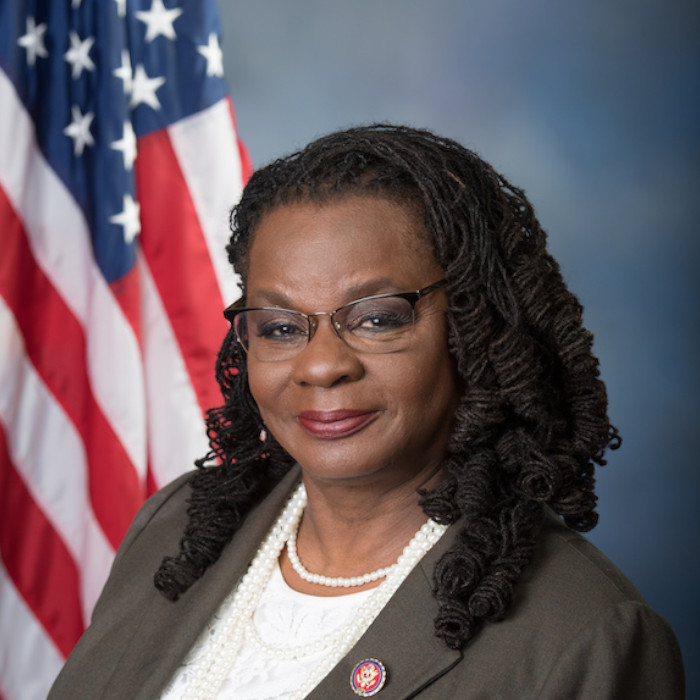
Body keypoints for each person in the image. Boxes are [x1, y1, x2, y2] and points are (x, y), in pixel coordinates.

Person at [48, 124, 684, 699]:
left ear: (474, 328)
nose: (321, 365)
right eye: (278, 326)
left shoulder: (585, 637)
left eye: (377, 319)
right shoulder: (177, 526)